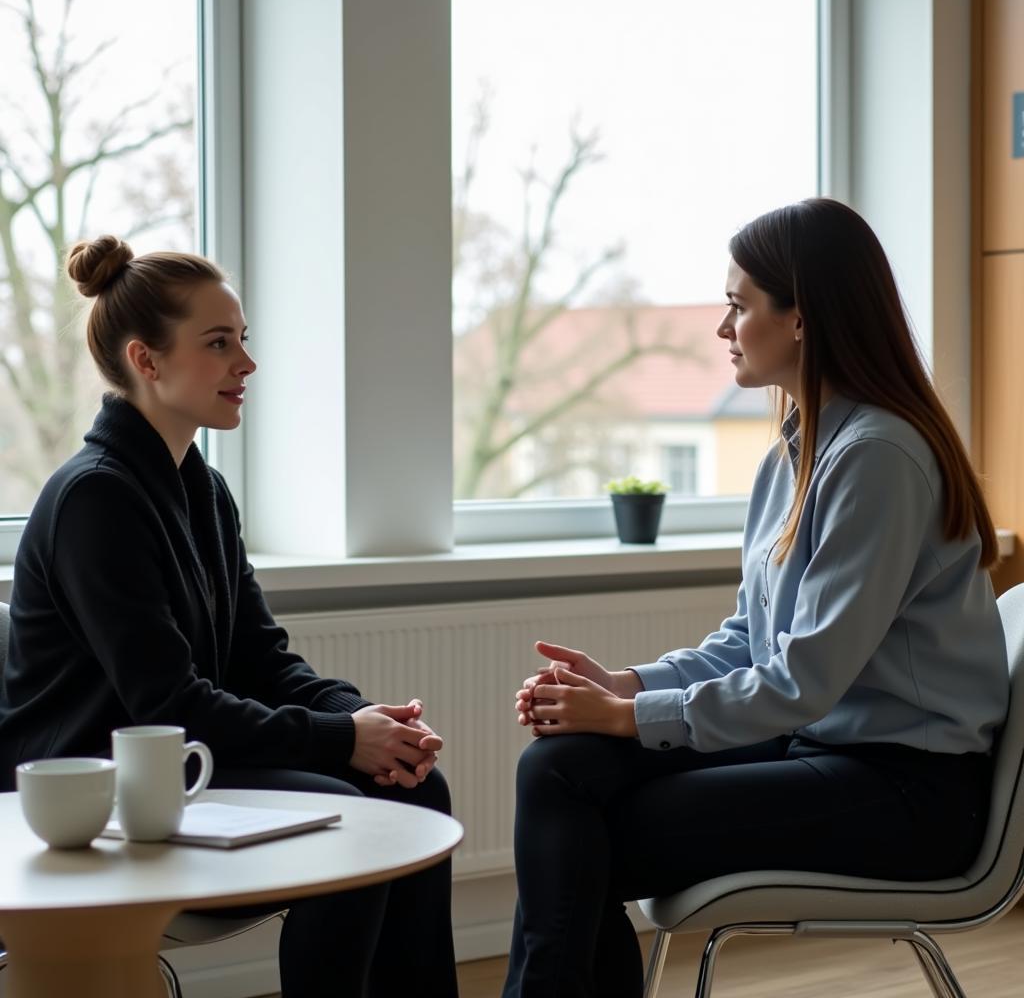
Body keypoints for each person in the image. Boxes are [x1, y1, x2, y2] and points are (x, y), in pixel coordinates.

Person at [503, 198, 1010, 998]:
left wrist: (631, 719)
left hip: (907, 791)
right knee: (561, 768)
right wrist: (627, 686)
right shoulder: (798, 450)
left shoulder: (877, 459)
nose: (723, 326)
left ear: (800, 318)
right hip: (825, 750)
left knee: (581, 832)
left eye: (739, 304)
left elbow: (802, 679)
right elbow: (752, 639)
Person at [0, 235, 458, 997]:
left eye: (242, 340)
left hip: (179, 769)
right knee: (354, 819)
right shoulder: (97, 498)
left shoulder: (201, 489)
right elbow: (168, 704)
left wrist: (365, 721)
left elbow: (260, 656)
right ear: (147, 361)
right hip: (94, 792)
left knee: (413, 789)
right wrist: (344, 742)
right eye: (219, 344)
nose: (246, 364)